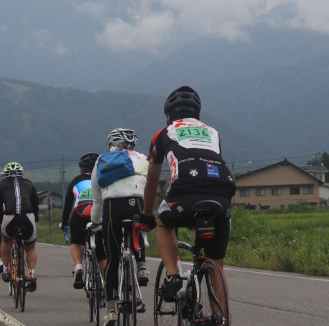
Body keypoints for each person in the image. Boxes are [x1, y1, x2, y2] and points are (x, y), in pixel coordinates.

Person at [141, 86, 236, 303]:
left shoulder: (162, 134)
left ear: (168, 115)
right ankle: (219, 318)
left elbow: (152, 181)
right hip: (221, 194)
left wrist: (147, 214)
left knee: (164, 223)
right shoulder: (213, 133)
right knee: (216, 266)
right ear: (198, 114)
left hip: (185, 190)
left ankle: (173, 275)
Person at [89, 128, 149, 326]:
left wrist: (96, 222)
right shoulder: (141, 158)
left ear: (111, 144)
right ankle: (141, 265)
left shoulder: (102, 160)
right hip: (137, 204)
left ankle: (111, 310)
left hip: (112, 206)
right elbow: (148, 186)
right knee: (137, 226)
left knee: (113, 258)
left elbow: (97, 199)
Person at [0, 162, 40, 292]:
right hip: (28, 217)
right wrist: (35, 218)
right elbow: (35, 204)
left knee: (5, 240)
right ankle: (31, 274)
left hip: (9, 217)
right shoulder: (30, 184)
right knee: (30, 247)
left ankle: (7, 270)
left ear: (5, 174)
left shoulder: (1, 185)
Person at [60, 152, 99, 289]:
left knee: (76, 242)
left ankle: (78, 264)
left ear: (81, 169)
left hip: (79, 215)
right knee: (103, 252)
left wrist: (64, 223)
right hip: (99, 214)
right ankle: (106, 284)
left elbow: (68, 206)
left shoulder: (75, 181)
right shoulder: (104, 179)